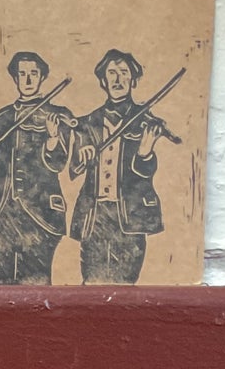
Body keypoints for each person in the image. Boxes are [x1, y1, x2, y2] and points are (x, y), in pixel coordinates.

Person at [0, 51, 72, 285]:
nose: (28, 80)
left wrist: (52, 137)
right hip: (0, 216)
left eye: (33, 74)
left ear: (42, 77)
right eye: (22, 74)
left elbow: (58, 163)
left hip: (40, 217)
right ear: (15, 78)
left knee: (36, 287)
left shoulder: (57, 116)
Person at [68, 49, 164, 285]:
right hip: (95, 216)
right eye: (112, 73)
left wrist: (145, 152)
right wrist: (83, 157)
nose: (118, 79)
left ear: (133, 80)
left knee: (125, 287)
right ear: (103, 80)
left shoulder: (144, 120)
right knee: (92, 283)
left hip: (129, 217)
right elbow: (73, 170)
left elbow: (144, 175)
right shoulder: (87, 123)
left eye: (124, 73)